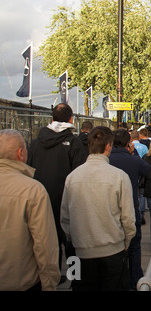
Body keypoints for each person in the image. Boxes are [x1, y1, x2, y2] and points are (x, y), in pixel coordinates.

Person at [60, 126, 136, 291]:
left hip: (80, 252)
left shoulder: (72, 177)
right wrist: (127, 240)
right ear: (108, 146)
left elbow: (65, 217)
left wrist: (73, 239)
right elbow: (128, 218)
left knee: (78, 286)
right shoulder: (119, 176)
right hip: (112, 250)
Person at [27, 103, 87, 279]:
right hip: (66, 201)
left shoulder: (36, 143)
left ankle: (51, 275)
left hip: (39, 199)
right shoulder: (74, 143)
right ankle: (73, 276)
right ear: (71, 119)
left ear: (51, 119)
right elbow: (79, 175)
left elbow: (28, 169)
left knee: (46, 241)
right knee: (71, 243)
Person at [0, 129, 60, 291]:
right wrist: (49, 283)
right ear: (21, 153)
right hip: (22, 280)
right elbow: (44, 244)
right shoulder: (32, 190)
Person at [109, 129, 151, 290]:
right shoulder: (133, 160)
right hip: (131, 208)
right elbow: (147, 169)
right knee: (134, 246)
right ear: (129, 144)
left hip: (111, 210)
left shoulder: (107, 158)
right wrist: (133, 154)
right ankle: (135, 280)